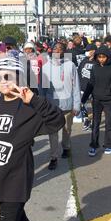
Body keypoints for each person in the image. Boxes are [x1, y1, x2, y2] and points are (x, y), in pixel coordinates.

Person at [0, 56, 65, 221]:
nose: (3, 81)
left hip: (16, 180)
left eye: (8, 77)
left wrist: (34, 100)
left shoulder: (28, 107)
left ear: (20, 79)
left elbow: (58, 121)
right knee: (19, 220)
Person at [43, 42, 81, 170]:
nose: (58, 50)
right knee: (53, 132)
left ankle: (66, 147)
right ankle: (53, 157)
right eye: (55, 48)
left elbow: (76, 86)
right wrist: (42, 106)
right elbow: (41, 89)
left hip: (68, 105)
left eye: (60, 49)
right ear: (51, 50)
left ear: (64, 51)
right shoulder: (45, 67)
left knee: (66, 129)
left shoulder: (71, 65)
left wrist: (77, 105)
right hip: (52, 106)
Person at [88, 47, 111, 157]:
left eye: (103, 57)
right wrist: (83, 99)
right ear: (96, 57)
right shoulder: (94, 68)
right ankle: (93, 145)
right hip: (96, 100)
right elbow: (91, 83)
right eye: (99, 57)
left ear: (108, 57)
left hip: (109, 100)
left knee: (109, 124)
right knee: (95, 123)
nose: (101, 59)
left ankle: (108, 145)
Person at [78, 44, 96, 131]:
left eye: (89, 51)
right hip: (83, 87)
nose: (87, 52)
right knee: (81, 104)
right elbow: (79, 72)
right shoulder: (84, 60)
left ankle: (92, 121)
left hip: (93, 88)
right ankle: (86, 119)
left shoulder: (97, 61)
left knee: (93, 106)